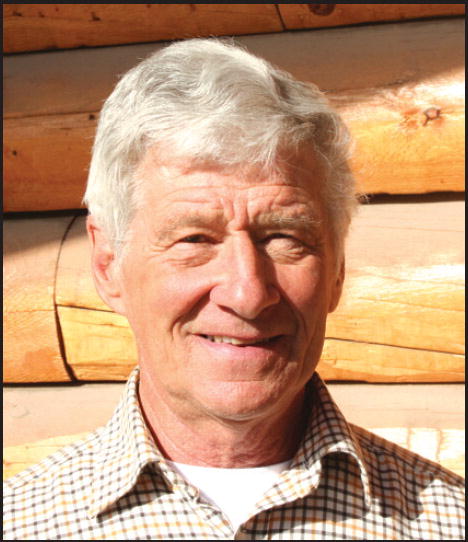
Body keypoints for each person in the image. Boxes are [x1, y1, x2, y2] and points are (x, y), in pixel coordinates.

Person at [3, 38, 464, 541]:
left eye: (284, 238)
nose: (247, 293)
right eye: (195, 239)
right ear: (108, 263)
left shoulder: (448, 523)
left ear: (337, 271)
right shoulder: (20, 525)